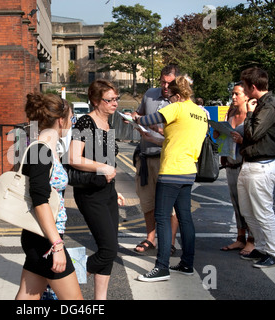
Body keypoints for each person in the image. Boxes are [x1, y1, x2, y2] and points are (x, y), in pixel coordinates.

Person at [135, 75, 208, 282]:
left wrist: (134, 118)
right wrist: (160, 136)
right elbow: (179, 138)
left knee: (162, 217)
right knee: (185, 218)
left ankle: (161, 267)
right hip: (188, 171)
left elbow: (146, 119)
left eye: (170, 98)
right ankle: (187, 263)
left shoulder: (176, 107)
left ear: (176, 96)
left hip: (171, 170)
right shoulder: (199, 113)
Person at [15, 93, 83, 300]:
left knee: (28, 298)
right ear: (60, 120)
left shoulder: (48, 150)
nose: (72, 123)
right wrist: (57, 245)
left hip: (43, 236)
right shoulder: (40, 151)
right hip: (44, 239)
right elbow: (40, 202)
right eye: (71, 118)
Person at [69, 79, 124, 300]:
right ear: (95, 100)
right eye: (109, 99)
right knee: (109, 250)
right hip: (89, 193)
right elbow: (73, 157)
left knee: (107, 250)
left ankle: (99, 302)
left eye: (116, 99)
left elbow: (109, 162)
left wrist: (114, 186)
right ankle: (60, 280)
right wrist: (102, 167)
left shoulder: (108, 125)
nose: (115, 103)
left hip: (107, 191)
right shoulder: (85, 123)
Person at [131, 65, 181, 254]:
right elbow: (139, 113)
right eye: (163, 82)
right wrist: (134, 117)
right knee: (148, 201)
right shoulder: (150, 94)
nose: (165, 86)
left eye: (170, 83)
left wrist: (159, 130)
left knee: (171, 205)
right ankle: (150, 238)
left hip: (167, 159)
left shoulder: (180, 101)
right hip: (146, 157)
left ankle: (170, 242)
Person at [238, 67, 275, 268]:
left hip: (261, 166)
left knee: (263, 211)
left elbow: (253, 133)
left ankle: (273, 252)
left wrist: (248, 113)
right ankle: (262, 247)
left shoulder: (269, 107)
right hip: (250, 164)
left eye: (245, 87)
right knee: (248, 211)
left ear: (253, 86)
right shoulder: (262, 105)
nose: (243, 91)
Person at [214, 82, 254, 255]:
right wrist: (218, 134)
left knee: (249, 204)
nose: (233, 97)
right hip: (230, 163)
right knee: (236, 203)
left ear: (246, 96)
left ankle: (252, 239)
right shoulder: (230, 112)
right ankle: (240, 238)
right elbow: (224, 136)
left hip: (245, 165)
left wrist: (242, 141)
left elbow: (257, 141)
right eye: (233, 94)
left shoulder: (252, 116)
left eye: (237, 94)